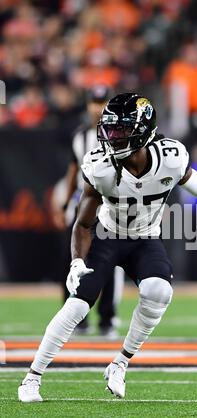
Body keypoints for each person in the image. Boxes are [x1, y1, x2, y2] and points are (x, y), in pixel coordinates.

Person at [18, 93, 197, 402]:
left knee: (159, 292)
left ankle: (120, 363)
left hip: (144, 238)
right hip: (106, 236)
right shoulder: (101, 167)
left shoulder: (170, 160)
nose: (111, 137)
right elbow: (83, 223)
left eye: (120, 131)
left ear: (144, 131)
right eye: (109, 130)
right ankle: (32, 377)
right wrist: (76, 262)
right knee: (78, 306)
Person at [50, 85, 123, 336]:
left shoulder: (121, 135)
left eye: (102, 102)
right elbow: (73, 173)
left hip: (109, 207)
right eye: (94, 102)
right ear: (87, 105)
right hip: (83, 206)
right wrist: (64, 202)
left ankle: (106, 318)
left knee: (108, 261)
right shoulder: (79, 136)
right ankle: (74, 318)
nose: (98, 108)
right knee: (71, 260)